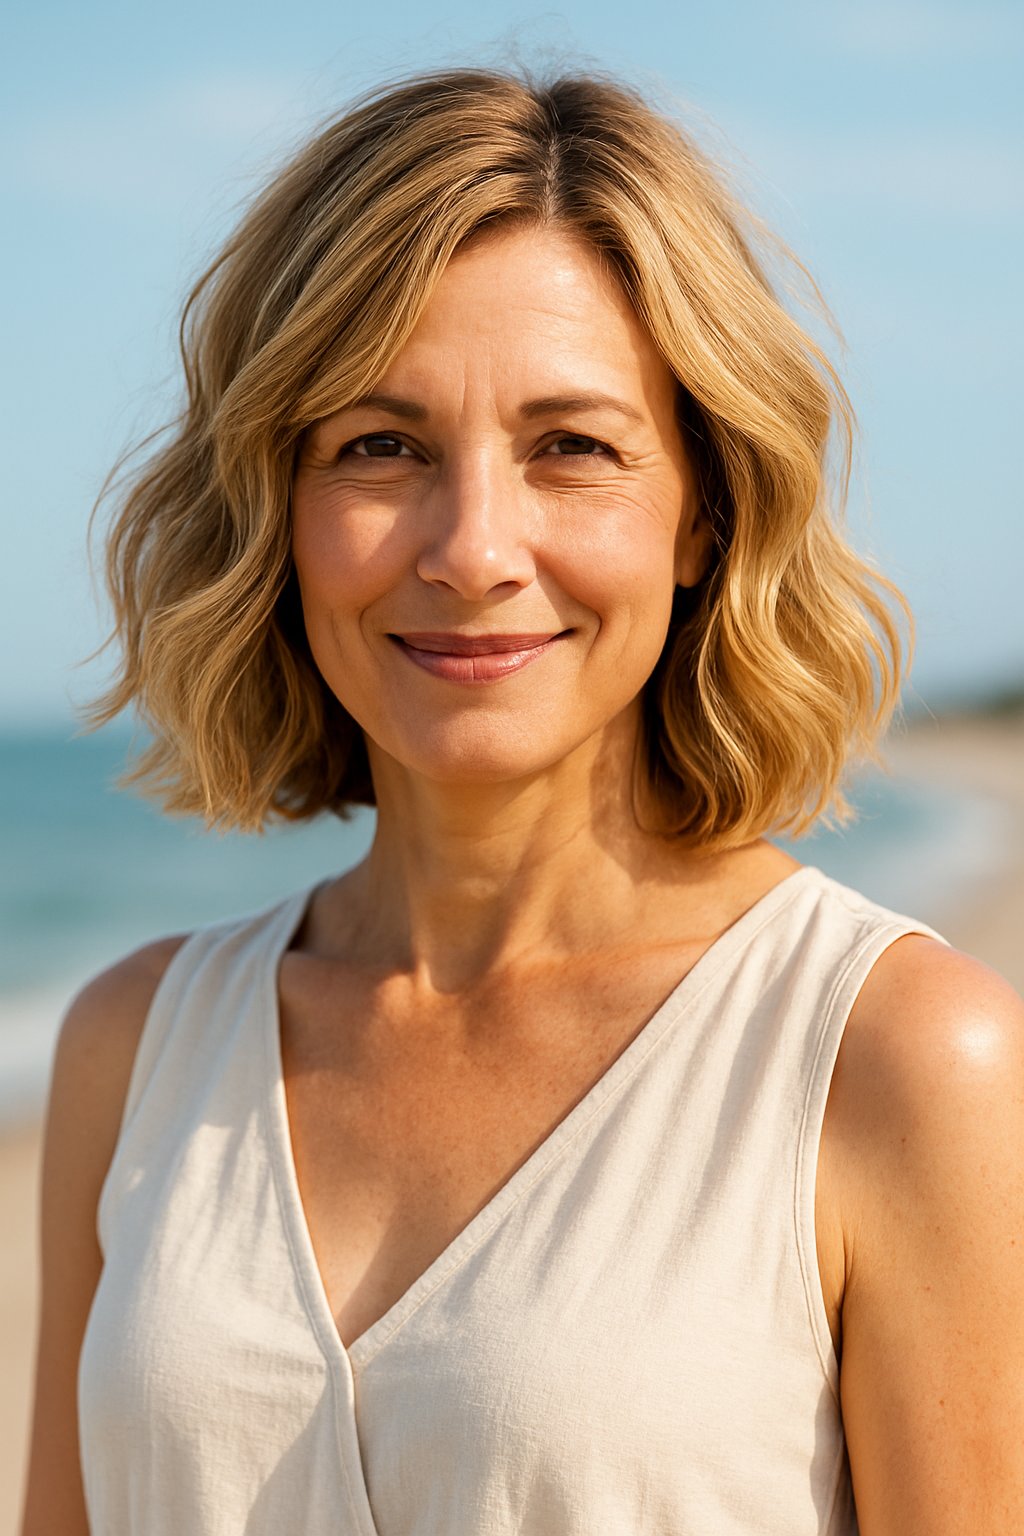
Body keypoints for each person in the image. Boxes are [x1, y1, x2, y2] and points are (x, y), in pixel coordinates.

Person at [20, 66, 1024, 1536]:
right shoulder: (134, 1047)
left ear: (704, 513)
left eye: (572, 447)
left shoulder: (901, 1058)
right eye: (380, 446)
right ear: (275, 509)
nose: (474, 548)